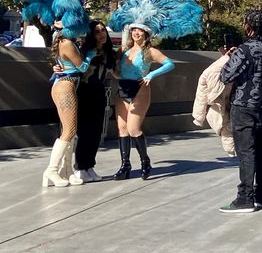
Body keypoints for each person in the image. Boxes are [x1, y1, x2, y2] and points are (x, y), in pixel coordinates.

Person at [219, 10, 262, 213]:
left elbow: (225, 76)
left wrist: (229, 56)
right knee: (260, 150)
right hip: (261, 107)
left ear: (248, 26)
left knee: (246, 152)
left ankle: (244, 198)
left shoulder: (244, 50)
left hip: (243, 106)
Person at [113, 24, 175, 181]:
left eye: (139, 30)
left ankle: (145, 162)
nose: (136, 33)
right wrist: (114, 73)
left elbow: (169, 64)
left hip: (140, 90)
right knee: (122, 129)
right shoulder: (123, 50)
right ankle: (125, 166)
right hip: (123, 89)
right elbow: (113, 67)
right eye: (133, 30)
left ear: (146, 33)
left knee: (133, 129)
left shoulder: (150, 51)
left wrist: (151, 75)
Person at [43, 22, 96, 187]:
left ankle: (66, 171)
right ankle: (51, 170)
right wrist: (90, 54)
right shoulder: (67, 43)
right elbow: (82, 67)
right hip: (65, 86)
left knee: (69, 130)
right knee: (70, 130)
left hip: (66, 85)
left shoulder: (64, 41)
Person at [74, 20, 116, 182]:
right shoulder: (85, 51)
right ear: (92, 34)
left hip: (99, 92)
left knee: (97, 131)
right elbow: (72, 65)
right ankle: (80, 167)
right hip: (84, 91)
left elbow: (116, 72)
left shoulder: (109, 53)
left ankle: (89, 166)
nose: (102, 34)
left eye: (103, 30)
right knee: (84, 131)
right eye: (98, 31)